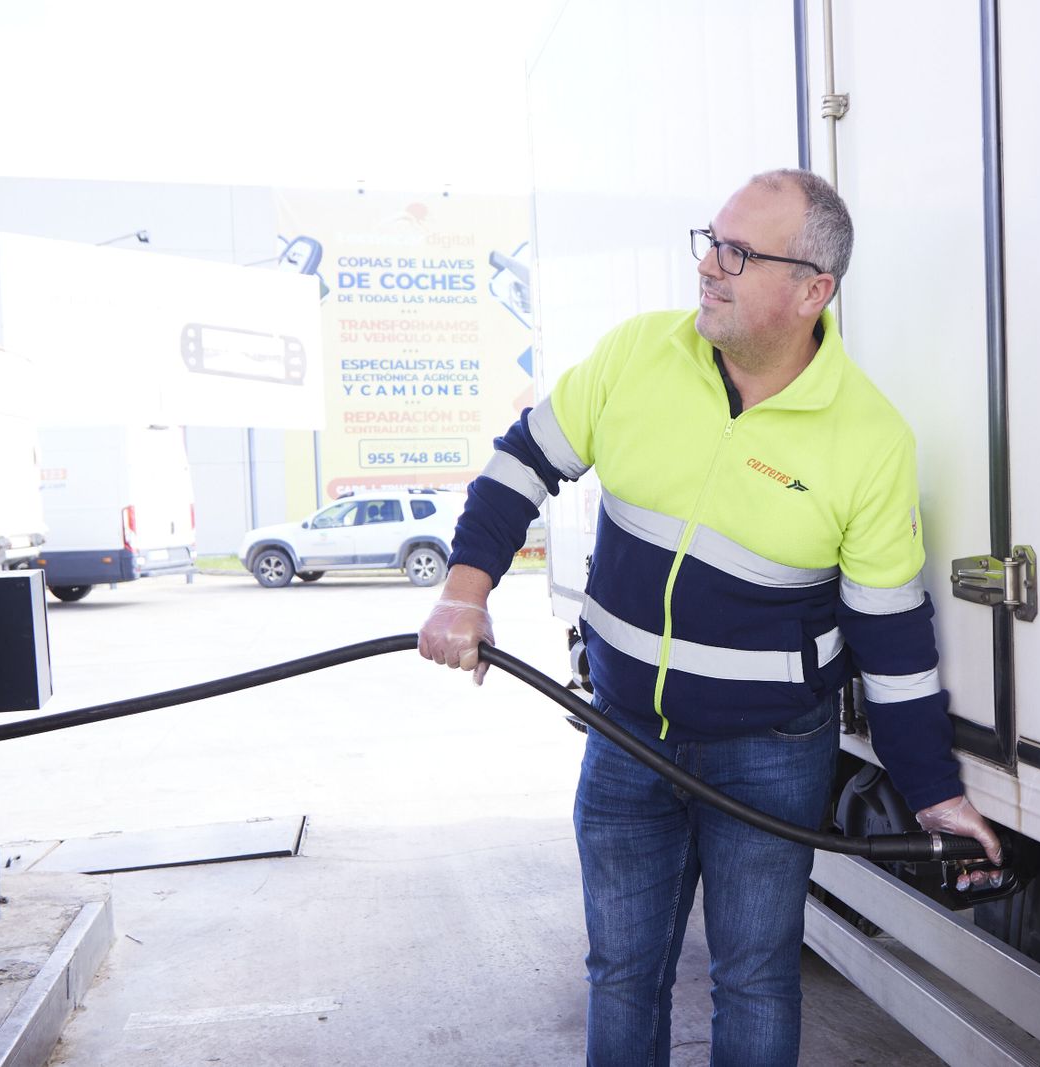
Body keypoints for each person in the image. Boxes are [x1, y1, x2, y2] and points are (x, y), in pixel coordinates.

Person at [418, 168, 1002, 1066]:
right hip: (624, 737)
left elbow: (892, 638)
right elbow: (519, 467)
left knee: (756, 978)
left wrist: (933, 791)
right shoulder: (638, 356)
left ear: (813, 290)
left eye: (738, 253)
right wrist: (465, 591)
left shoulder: (869, 438)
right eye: (711, 242)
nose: (708, 267)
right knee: (622, 972)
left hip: (769, 754)